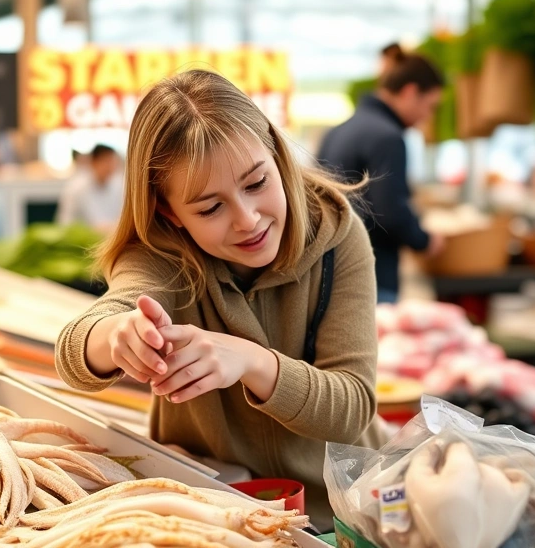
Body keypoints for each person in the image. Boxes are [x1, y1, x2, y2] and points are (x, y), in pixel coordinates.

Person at [55, 70, 382, 532]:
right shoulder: (160, 256)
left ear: (274, 149)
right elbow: (79, 344)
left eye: (256, 184)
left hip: (343, 520)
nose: (247, 220)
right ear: (170, 211)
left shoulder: (337, 234)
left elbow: (351, 408)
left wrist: (250, 361)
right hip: (215, 519)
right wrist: (114, 337)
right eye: (210, 208)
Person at [317, 49, 445, 304]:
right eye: (429, 107)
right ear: (410, 92)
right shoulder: (388, 137)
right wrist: (424, 240)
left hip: (329, 271)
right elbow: (390, 210)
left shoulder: (339, 131)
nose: (427, 117)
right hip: (371, 273)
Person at [56, 144, 124, 232]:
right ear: (93, 162)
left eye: (112, 162)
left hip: (113, 239)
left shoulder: (120, 186)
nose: (109, 166)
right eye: (105, 161)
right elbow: (65, 222)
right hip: (83, 241)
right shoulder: (76, 188)